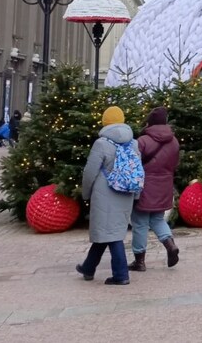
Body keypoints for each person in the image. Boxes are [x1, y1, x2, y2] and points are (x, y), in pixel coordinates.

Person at [76, 106, 140, 286]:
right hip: (126, 192)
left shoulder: (102, 144)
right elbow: (137, 171)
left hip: (105, 193)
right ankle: (88, 268)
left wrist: (86, 193)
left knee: (111, 234)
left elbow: (90, 172)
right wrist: (136, 194)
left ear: (105, 122)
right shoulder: (133, 143)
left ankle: (121, 275)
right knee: (110, 231)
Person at [129, 107, 181, 271]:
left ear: (149, 122)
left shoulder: (142, 141)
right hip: (165, 185)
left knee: (140, 223)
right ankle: (170, 245)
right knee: (158, 219)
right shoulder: (174, 141)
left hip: (145, 187)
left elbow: (134, 166)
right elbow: (175, 164)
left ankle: (140, 261)